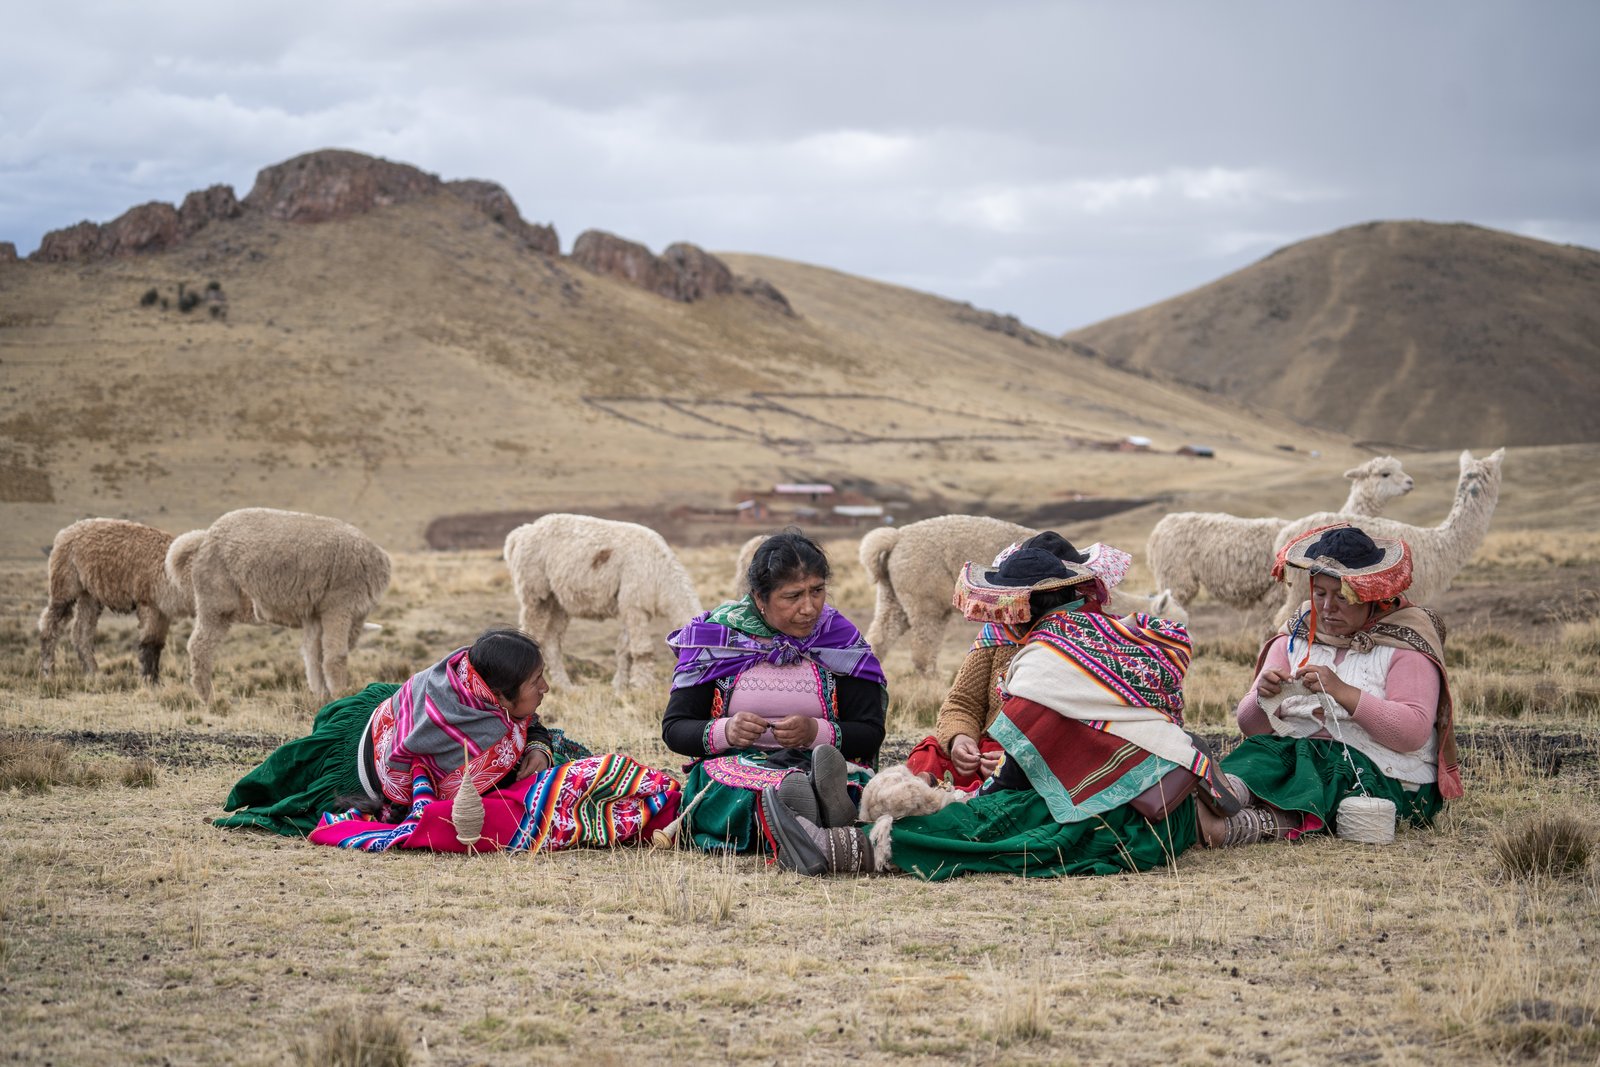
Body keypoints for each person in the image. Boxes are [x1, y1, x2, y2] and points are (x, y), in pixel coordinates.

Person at [759, 541, 1239, 879]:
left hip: (1120, 814)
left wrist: (967, 799)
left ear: (1026, 604)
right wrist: (965, 747)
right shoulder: (1121, 635)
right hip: (1160, 799)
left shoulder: (1046, 658)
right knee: (968, 783)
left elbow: (1012, 784)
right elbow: (966, 706)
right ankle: (856, 812)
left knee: (998, 823)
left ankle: (849, 846)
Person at [216, 629, 679, 853]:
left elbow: (531, 722)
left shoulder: (464, 678)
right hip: (361, 765)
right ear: (497, 696)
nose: (546, 689)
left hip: (377, 720)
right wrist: (535, 755)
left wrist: (535, 745)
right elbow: (463, 804)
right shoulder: (485, 746)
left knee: (556, 747)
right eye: (537, 681)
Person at [1199, 523, 1461, 848]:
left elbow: (1411, 733)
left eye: (1342, 597)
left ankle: (1242, 826)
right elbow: (1252, 727)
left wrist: (1342, 692)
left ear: (1372, 593)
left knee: (1329, 771)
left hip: (1382, 771)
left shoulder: (1404, 640)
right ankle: (1217, 797)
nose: (1326, 608)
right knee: (1262, 753)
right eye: (1320, 593)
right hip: (1298, 752)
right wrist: (1262, 697)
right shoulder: (1297, 633)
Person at [661, 529, 887, 853]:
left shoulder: (839, 642)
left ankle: (805, 820)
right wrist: (727, 730)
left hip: (817, 763)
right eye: (793, 596)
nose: (809, 608)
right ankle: (813, 820)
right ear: (759, 599)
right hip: (736, 766)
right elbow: (675, 728)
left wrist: (815, 732)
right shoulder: (716, 640)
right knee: (739, 786)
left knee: (836, 777)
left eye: (817, 591)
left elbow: (870, 732)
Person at [904, 532, 1133, 791]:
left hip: (1044, 762)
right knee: (930, 753)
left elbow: (1084, 729)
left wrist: (1015, 761)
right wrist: (960, 739)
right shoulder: (996, 636)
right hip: (986, 755)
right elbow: (963, 701)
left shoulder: (1090, 640)